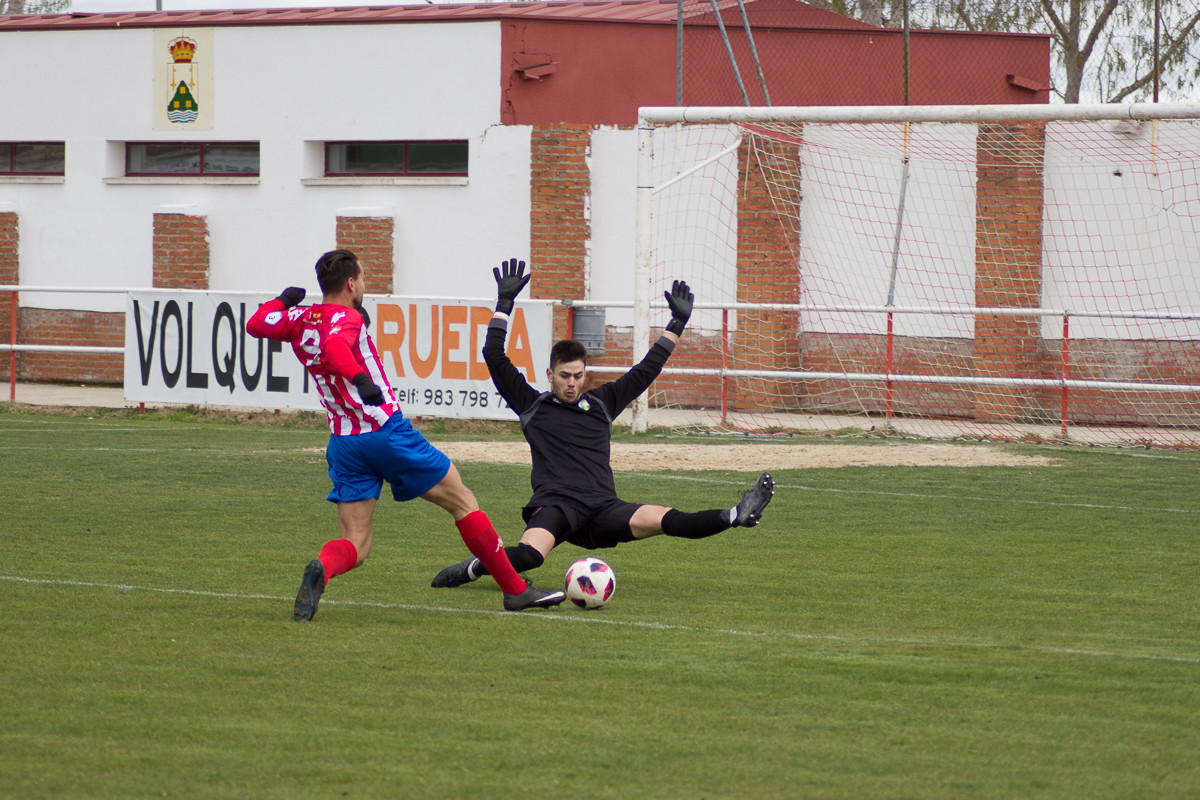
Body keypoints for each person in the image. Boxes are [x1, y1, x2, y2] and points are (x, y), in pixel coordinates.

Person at [246, 249, 565, 620]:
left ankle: (322, 567)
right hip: (384, 432)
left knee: (356, 542)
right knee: (463, 500)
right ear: (350, 284)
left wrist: (283, 301)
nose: (364, 285)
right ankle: (516, 591)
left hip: (344, 443)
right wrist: (360, 378)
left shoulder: (301, 318)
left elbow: (257, 323)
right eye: (362, 278)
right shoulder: (346, 317)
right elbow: (334, 347)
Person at [430, 258, 775, 590]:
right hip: (557, 505)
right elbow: (494, 356)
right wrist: (504, 303)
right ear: (550, 374)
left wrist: (677, 323)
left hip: (603, 508)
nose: (571, 383)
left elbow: (646, 370)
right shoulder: (532, 405)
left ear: (585, 374)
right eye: (564, 375)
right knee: (529, 557)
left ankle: (736, 515)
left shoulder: (601, 403)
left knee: (667, 518)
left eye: (578, 376)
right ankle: (474, 568)